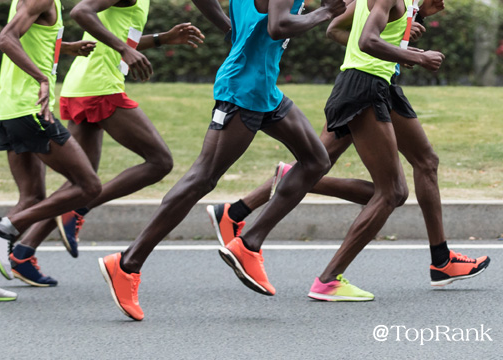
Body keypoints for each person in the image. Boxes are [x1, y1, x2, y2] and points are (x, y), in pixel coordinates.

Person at [210, 0, 489, 301]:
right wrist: (412, 56)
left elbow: (352, 31)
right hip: (363, 87)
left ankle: (441, 260)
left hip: (379, 86)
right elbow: (358, 37)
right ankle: (325, 279)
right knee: (389, 191)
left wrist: (411, 28)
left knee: (422, 162)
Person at [97, 0, 346, 321]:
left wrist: (234, 30)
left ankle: (249, 244)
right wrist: (326, 14)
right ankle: (127, 264)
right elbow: (278, 26)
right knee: (202, 177)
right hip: (243, 89)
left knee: (316, 160)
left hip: (264, 88)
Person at [7, 0, 205, 286]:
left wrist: (163, 39)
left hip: (84, 83)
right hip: (99, 86)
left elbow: (119, 38)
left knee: (80, 182)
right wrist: (125, 50)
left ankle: (24, 252)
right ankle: (78, 209)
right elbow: (81, 11)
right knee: (160, 162)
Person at [0, 0, 104, 300]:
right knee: (88, 186)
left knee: (32, 197)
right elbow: (5, 39)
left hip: (9, 110)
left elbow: (32, 37)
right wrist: (42, 77)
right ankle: (4, 227)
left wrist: (67, 48)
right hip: (30, 110)